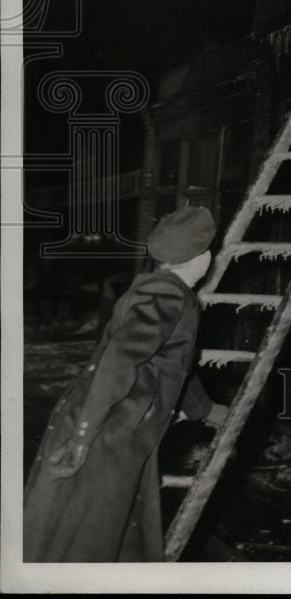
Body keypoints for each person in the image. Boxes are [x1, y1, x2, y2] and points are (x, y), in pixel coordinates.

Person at [23, 204, 228, 562]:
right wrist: (84, 436)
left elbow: (176, 364)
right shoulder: (169, 295)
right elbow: (120, 360)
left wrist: (207, 410)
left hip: (115, 427)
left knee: (104, 534)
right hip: (108, 430)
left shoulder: (157, 287)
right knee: (89, 539)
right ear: (204, 259)